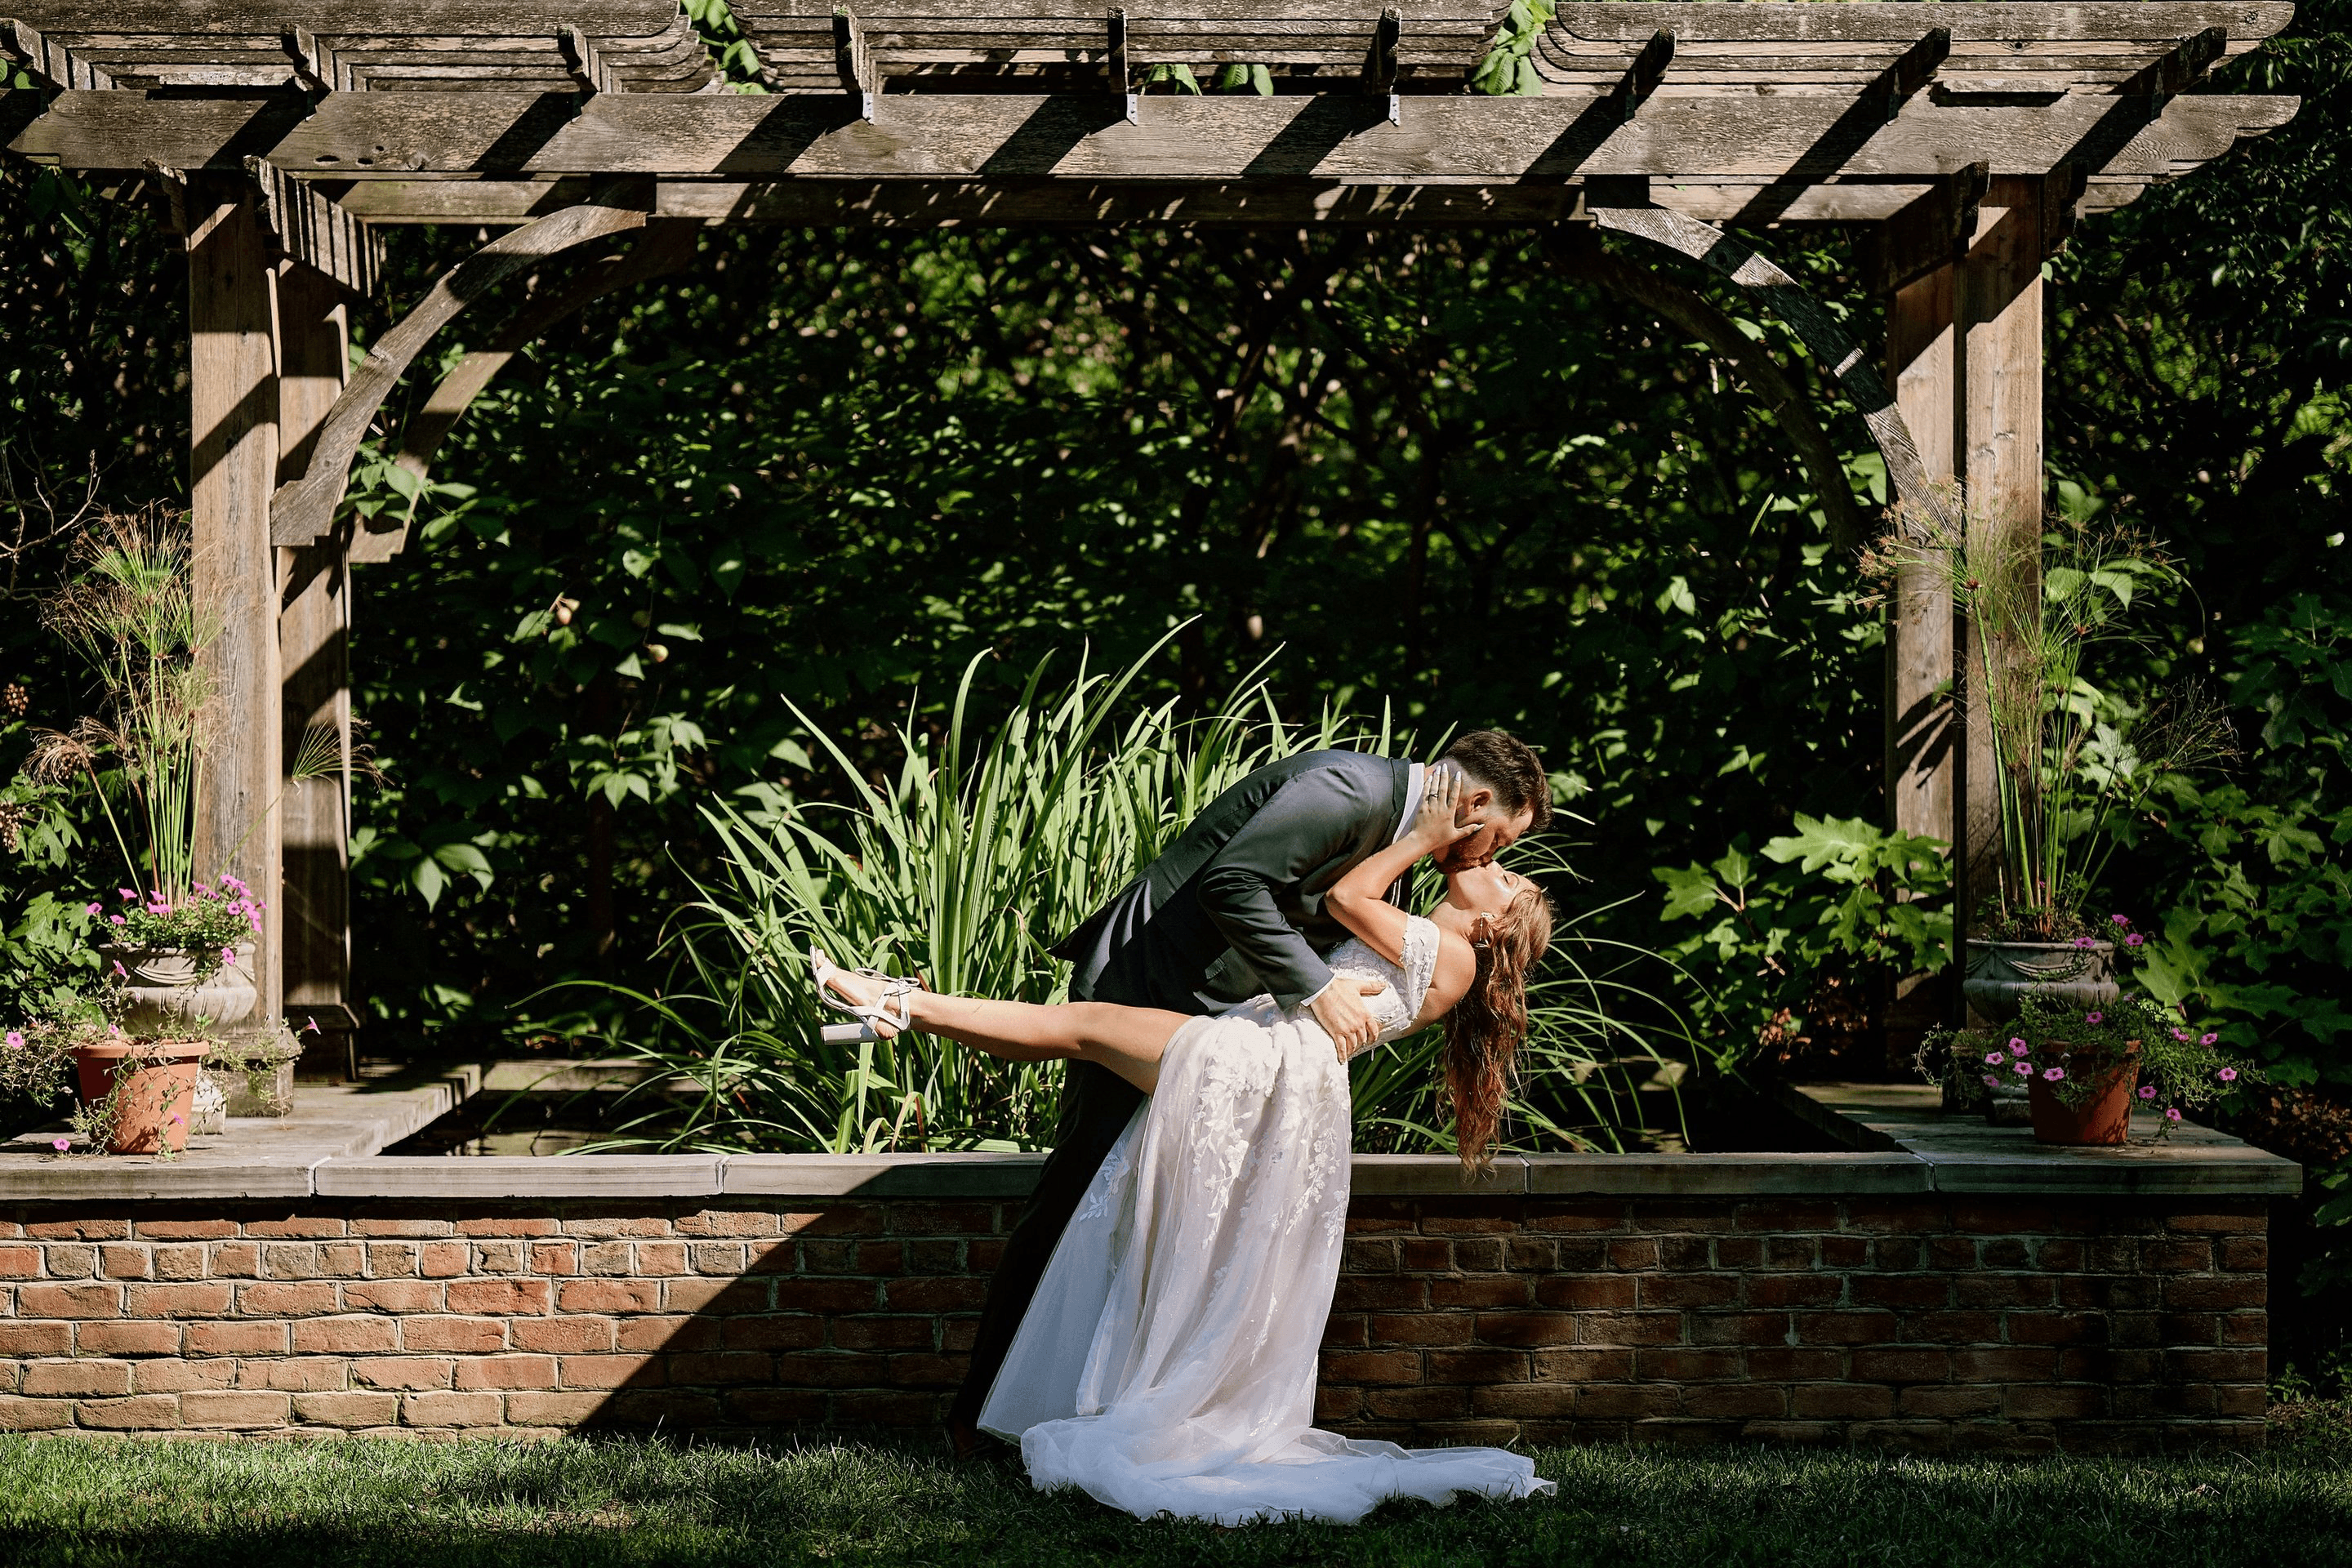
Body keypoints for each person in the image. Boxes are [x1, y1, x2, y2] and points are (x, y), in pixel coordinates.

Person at [813, 764, 1558, 1524]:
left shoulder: (1453, 955)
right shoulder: (1420, 919)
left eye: (1507, 877)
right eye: (1502, 846)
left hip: (1263, 1067)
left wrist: (1426, 836)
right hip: (1268, 1060)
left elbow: (1341, 898)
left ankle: (893, 1002)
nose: (1491, 861)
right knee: (1079, 1040)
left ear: (1497, 926)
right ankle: (894, 1006)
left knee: (1078, 1027)